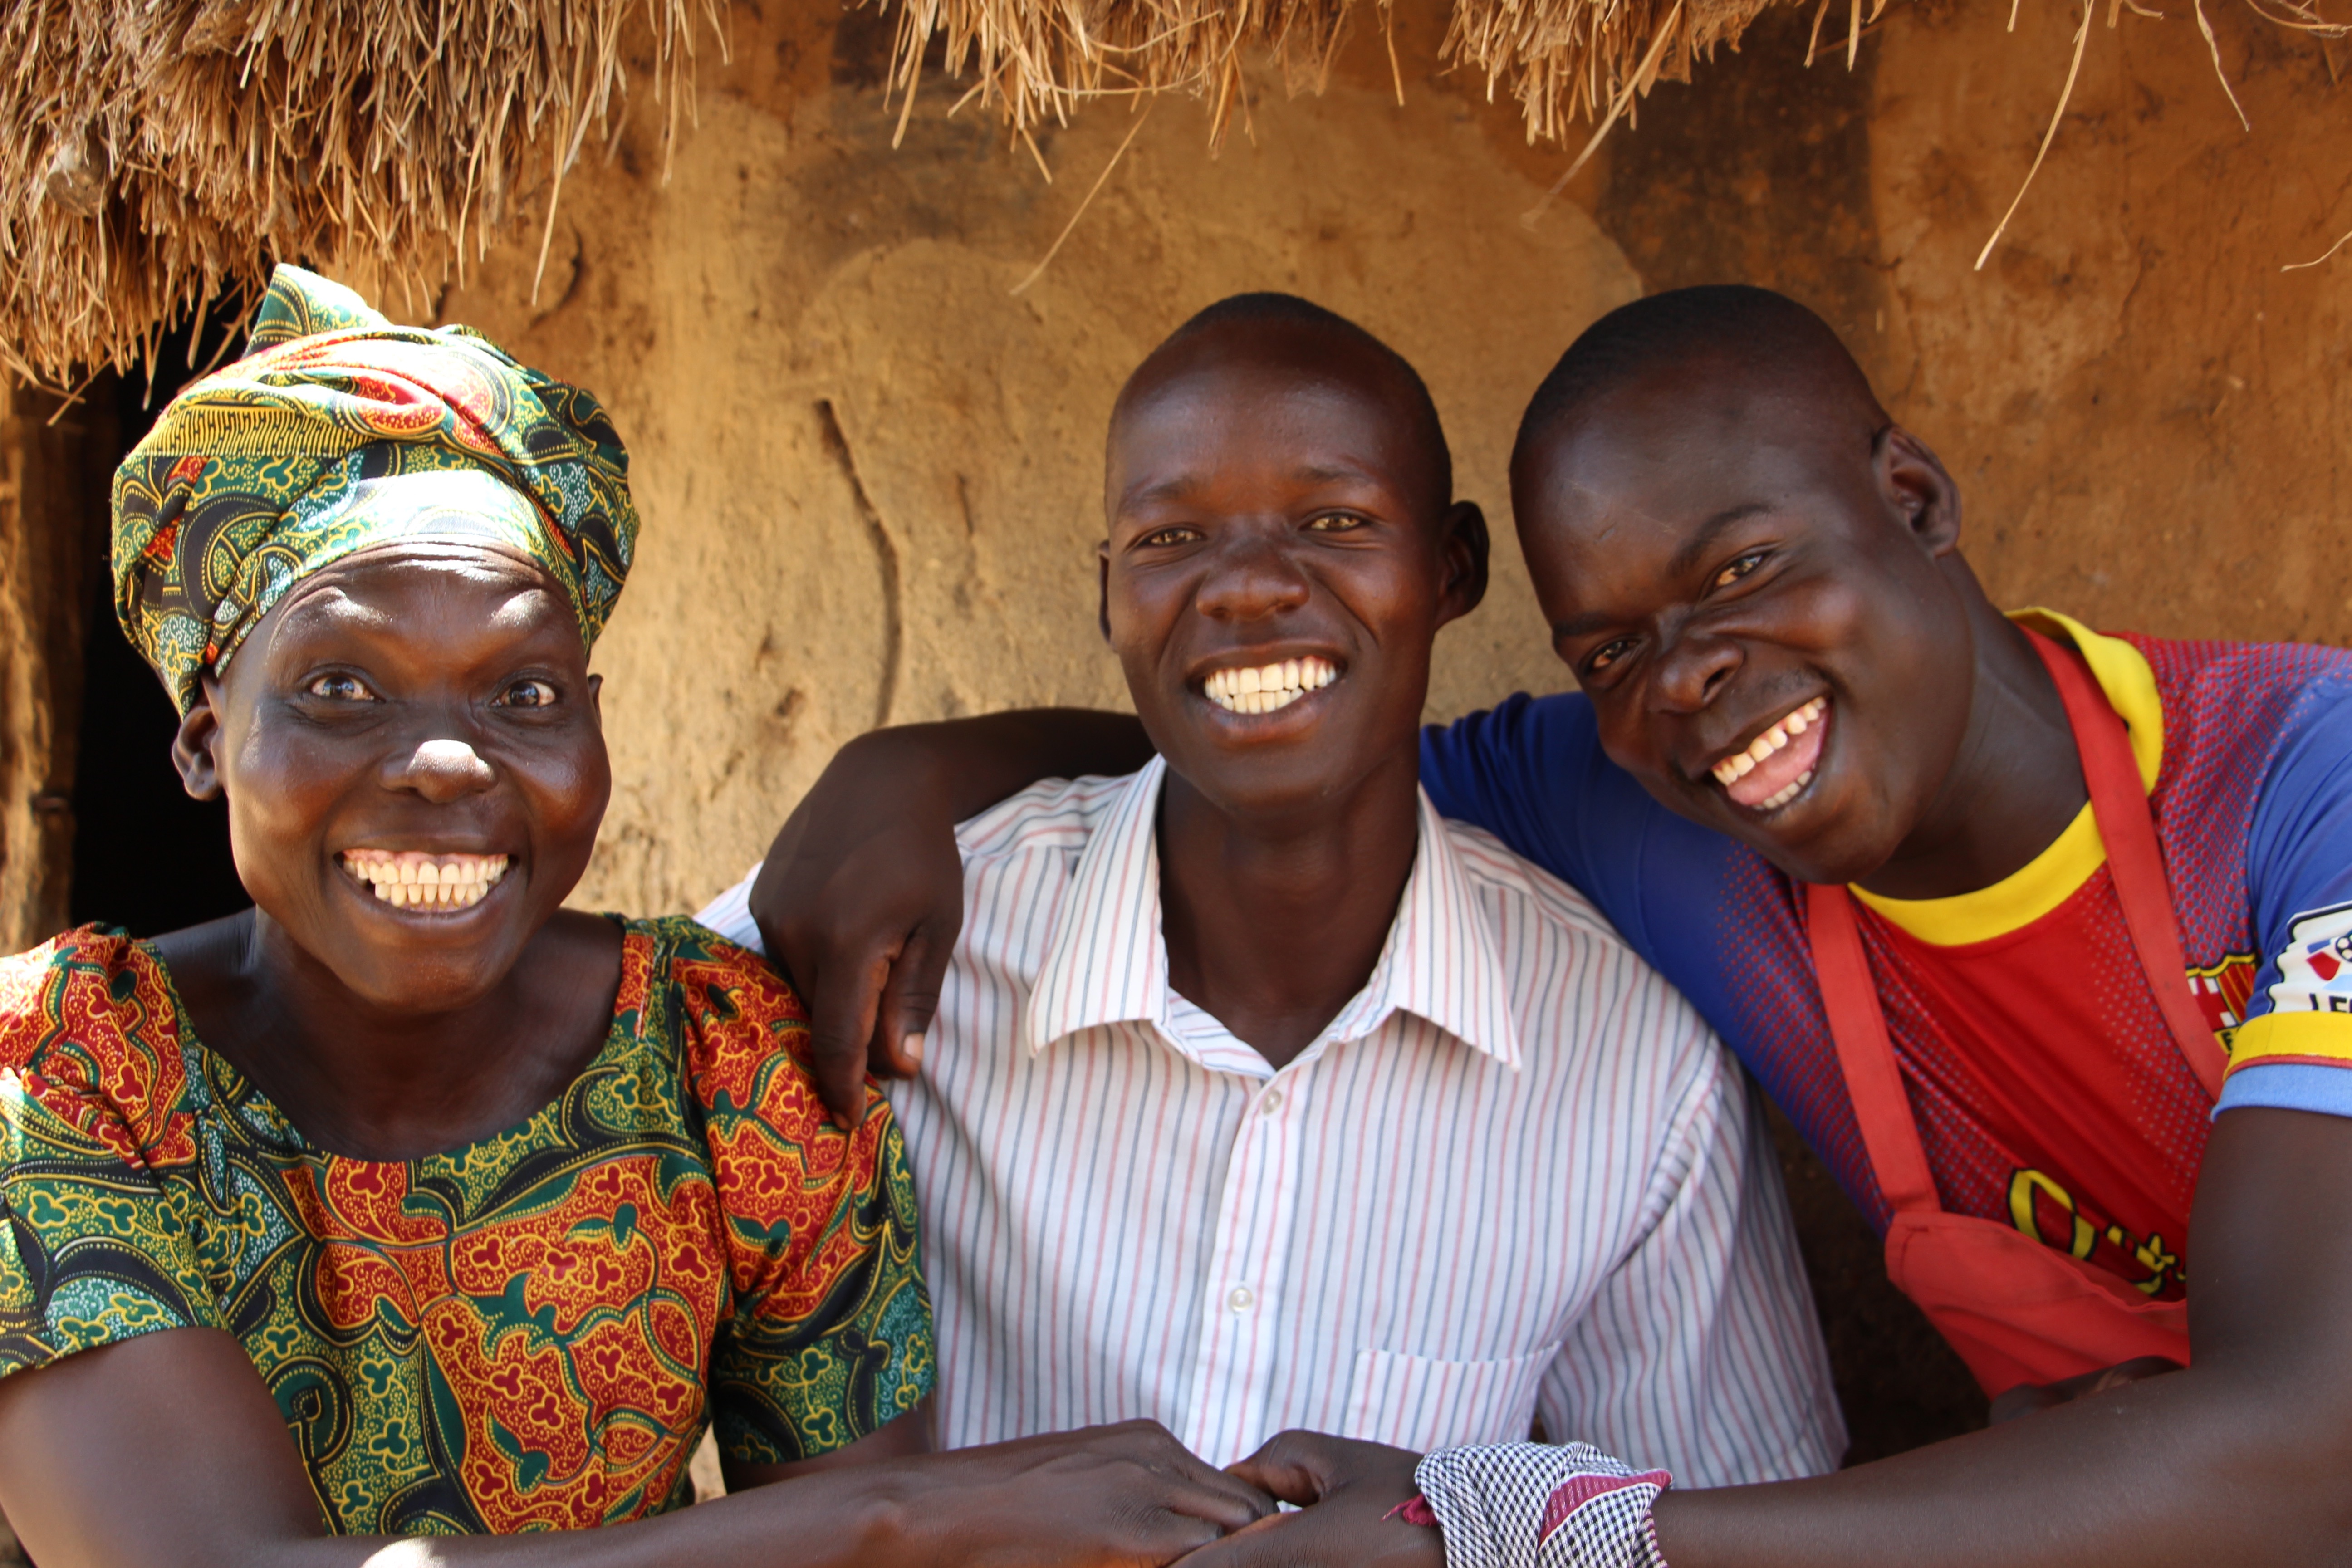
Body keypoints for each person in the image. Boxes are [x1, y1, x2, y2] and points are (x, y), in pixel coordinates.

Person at [745, 285, 2352, 1567]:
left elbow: (2306, 1461)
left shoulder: (2304, 788)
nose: (1692, 674)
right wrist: (895, 779)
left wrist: (1508, 1536)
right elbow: (1274, 732)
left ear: (1916, 497)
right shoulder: (1675, 811)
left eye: (1746, 568)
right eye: (1611, 647)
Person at [0, 265, 1272, 1568]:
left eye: (527, 696)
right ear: (206, 741)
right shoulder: (71, 1077)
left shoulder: (725, 1067)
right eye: (340, 686)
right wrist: (898, 1517)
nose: (445, 763)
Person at [698, 295, 1843, 1504]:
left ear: (1450, 569)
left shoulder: (1626, 1069)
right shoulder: (901, 948)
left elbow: (1723, 1523)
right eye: (1170, 540)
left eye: (1336, 520)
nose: (1246, 589)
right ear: (1106, 597)